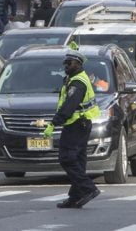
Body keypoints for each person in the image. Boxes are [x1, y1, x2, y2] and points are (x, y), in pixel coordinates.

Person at [41, 49, 101, 209]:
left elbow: (69, 106)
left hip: (75, 124)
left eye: (70, 63)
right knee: (78, 160)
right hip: (79, 124)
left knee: (67, 158)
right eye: (65, 62)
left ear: (79, 64)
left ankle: (88, 188)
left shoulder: (78, 82)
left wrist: (54, 123)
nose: (66, 65)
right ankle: (76, 196)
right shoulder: (73, 78)